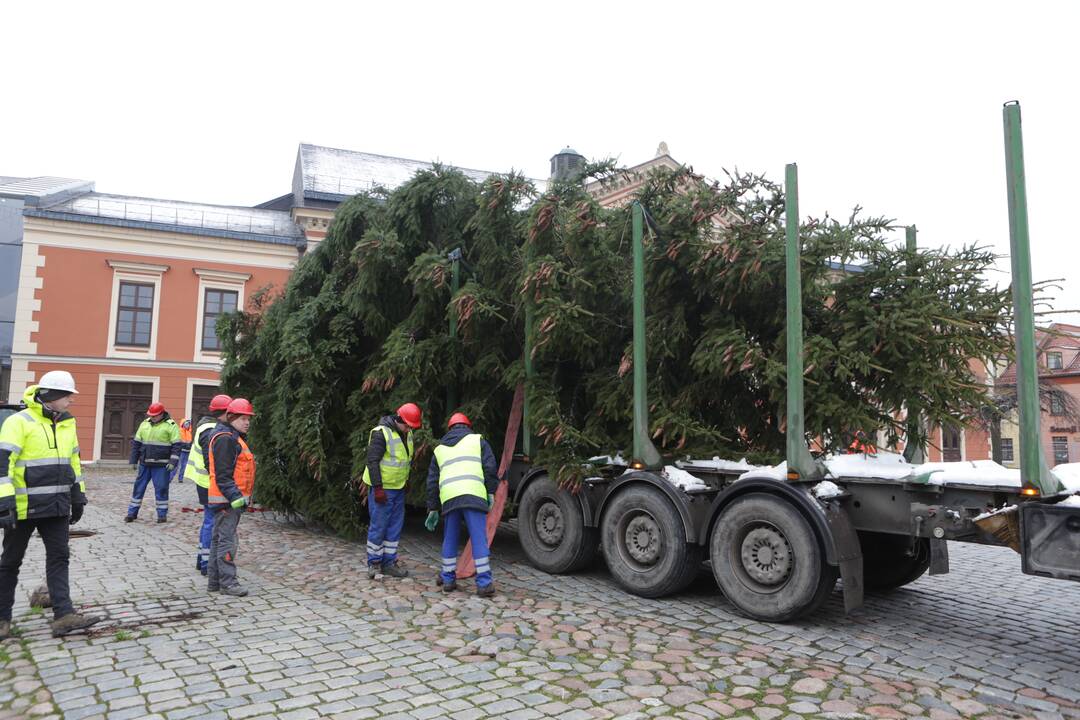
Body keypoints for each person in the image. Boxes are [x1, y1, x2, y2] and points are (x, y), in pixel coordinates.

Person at [0, 371, 102, 638]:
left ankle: (63, 616)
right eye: (67, 396)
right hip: (21, 507)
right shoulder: (18, 422)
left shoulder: (68, 423)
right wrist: (3, 502)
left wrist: (78, 495)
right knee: (10, 562)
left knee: (60, 558)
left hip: (56, 507)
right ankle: (2, 619)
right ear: (53, 396)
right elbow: (2, 465)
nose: (70, 401)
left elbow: (74, 464)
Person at [424, 412, 499, 597]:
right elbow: (490, 468)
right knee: (478, 539)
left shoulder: (439, 449)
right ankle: (484, 584)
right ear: (468, 426)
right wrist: (491, 491)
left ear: (450, 428)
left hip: (450, 498)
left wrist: (432, 508)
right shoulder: (477, 441)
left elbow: (432, 482)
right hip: (473, 495)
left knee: (450, 538)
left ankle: (448, 580)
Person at [362, 402, 421, 579]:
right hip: (383, 489)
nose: (409, 429)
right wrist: (378, 488)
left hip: (398, 488)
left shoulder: (407, 433)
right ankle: (374, 563)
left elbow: (404, 460)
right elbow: (372, 462)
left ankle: (389, 562)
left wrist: (406, 481)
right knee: (378, 527)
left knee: (394, 527)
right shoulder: (381, 434)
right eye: (408, 425)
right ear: (399, 419)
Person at [206, 398, 256, 597]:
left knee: (218, 540)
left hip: (225, 499)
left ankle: (215, 582)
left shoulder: (230, 436)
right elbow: (223, 474)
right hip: (227, 500)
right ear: (231, 417)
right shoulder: (226, 438)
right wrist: (235, 496)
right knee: (227, 542)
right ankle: (228, 583)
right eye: (243, 418)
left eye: (249, 419)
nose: (247, 422)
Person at [182, 394, 232, 574]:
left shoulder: (206, 425)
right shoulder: (211, 430)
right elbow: (210, 461)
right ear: (225, 412)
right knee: (212, 522)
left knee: (208, 521)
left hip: (205, 481)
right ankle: (206, 564)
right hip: (209, 482)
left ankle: (201, 559)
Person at [125, 402, 181, 523]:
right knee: (138, 489)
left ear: (161, 414)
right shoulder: (144, 424)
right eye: (151, 415)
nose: (152, 417)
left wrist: (173, 462)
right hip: (145, 463)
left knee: (161, 489)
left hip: (162, 465)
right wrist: (133, 460)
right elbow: (136, 444)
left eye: (155, 415)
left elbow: (176, 446)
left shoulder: (171, 426)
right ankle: (131, 513)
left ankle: (162, 515)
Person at [171, 417, 193, 484]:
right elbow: (177, 441)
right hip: (180, 451)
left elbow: (189, 442)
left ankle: (181, 479)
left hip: (187, 452)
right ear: (183, 424)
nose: (187, 425)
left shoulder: (189, 432)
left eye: (188, 424)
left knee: (184, 466)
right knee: (176, 466)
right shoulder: (179, 431)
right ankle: (170, 478)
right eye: (186, 424)